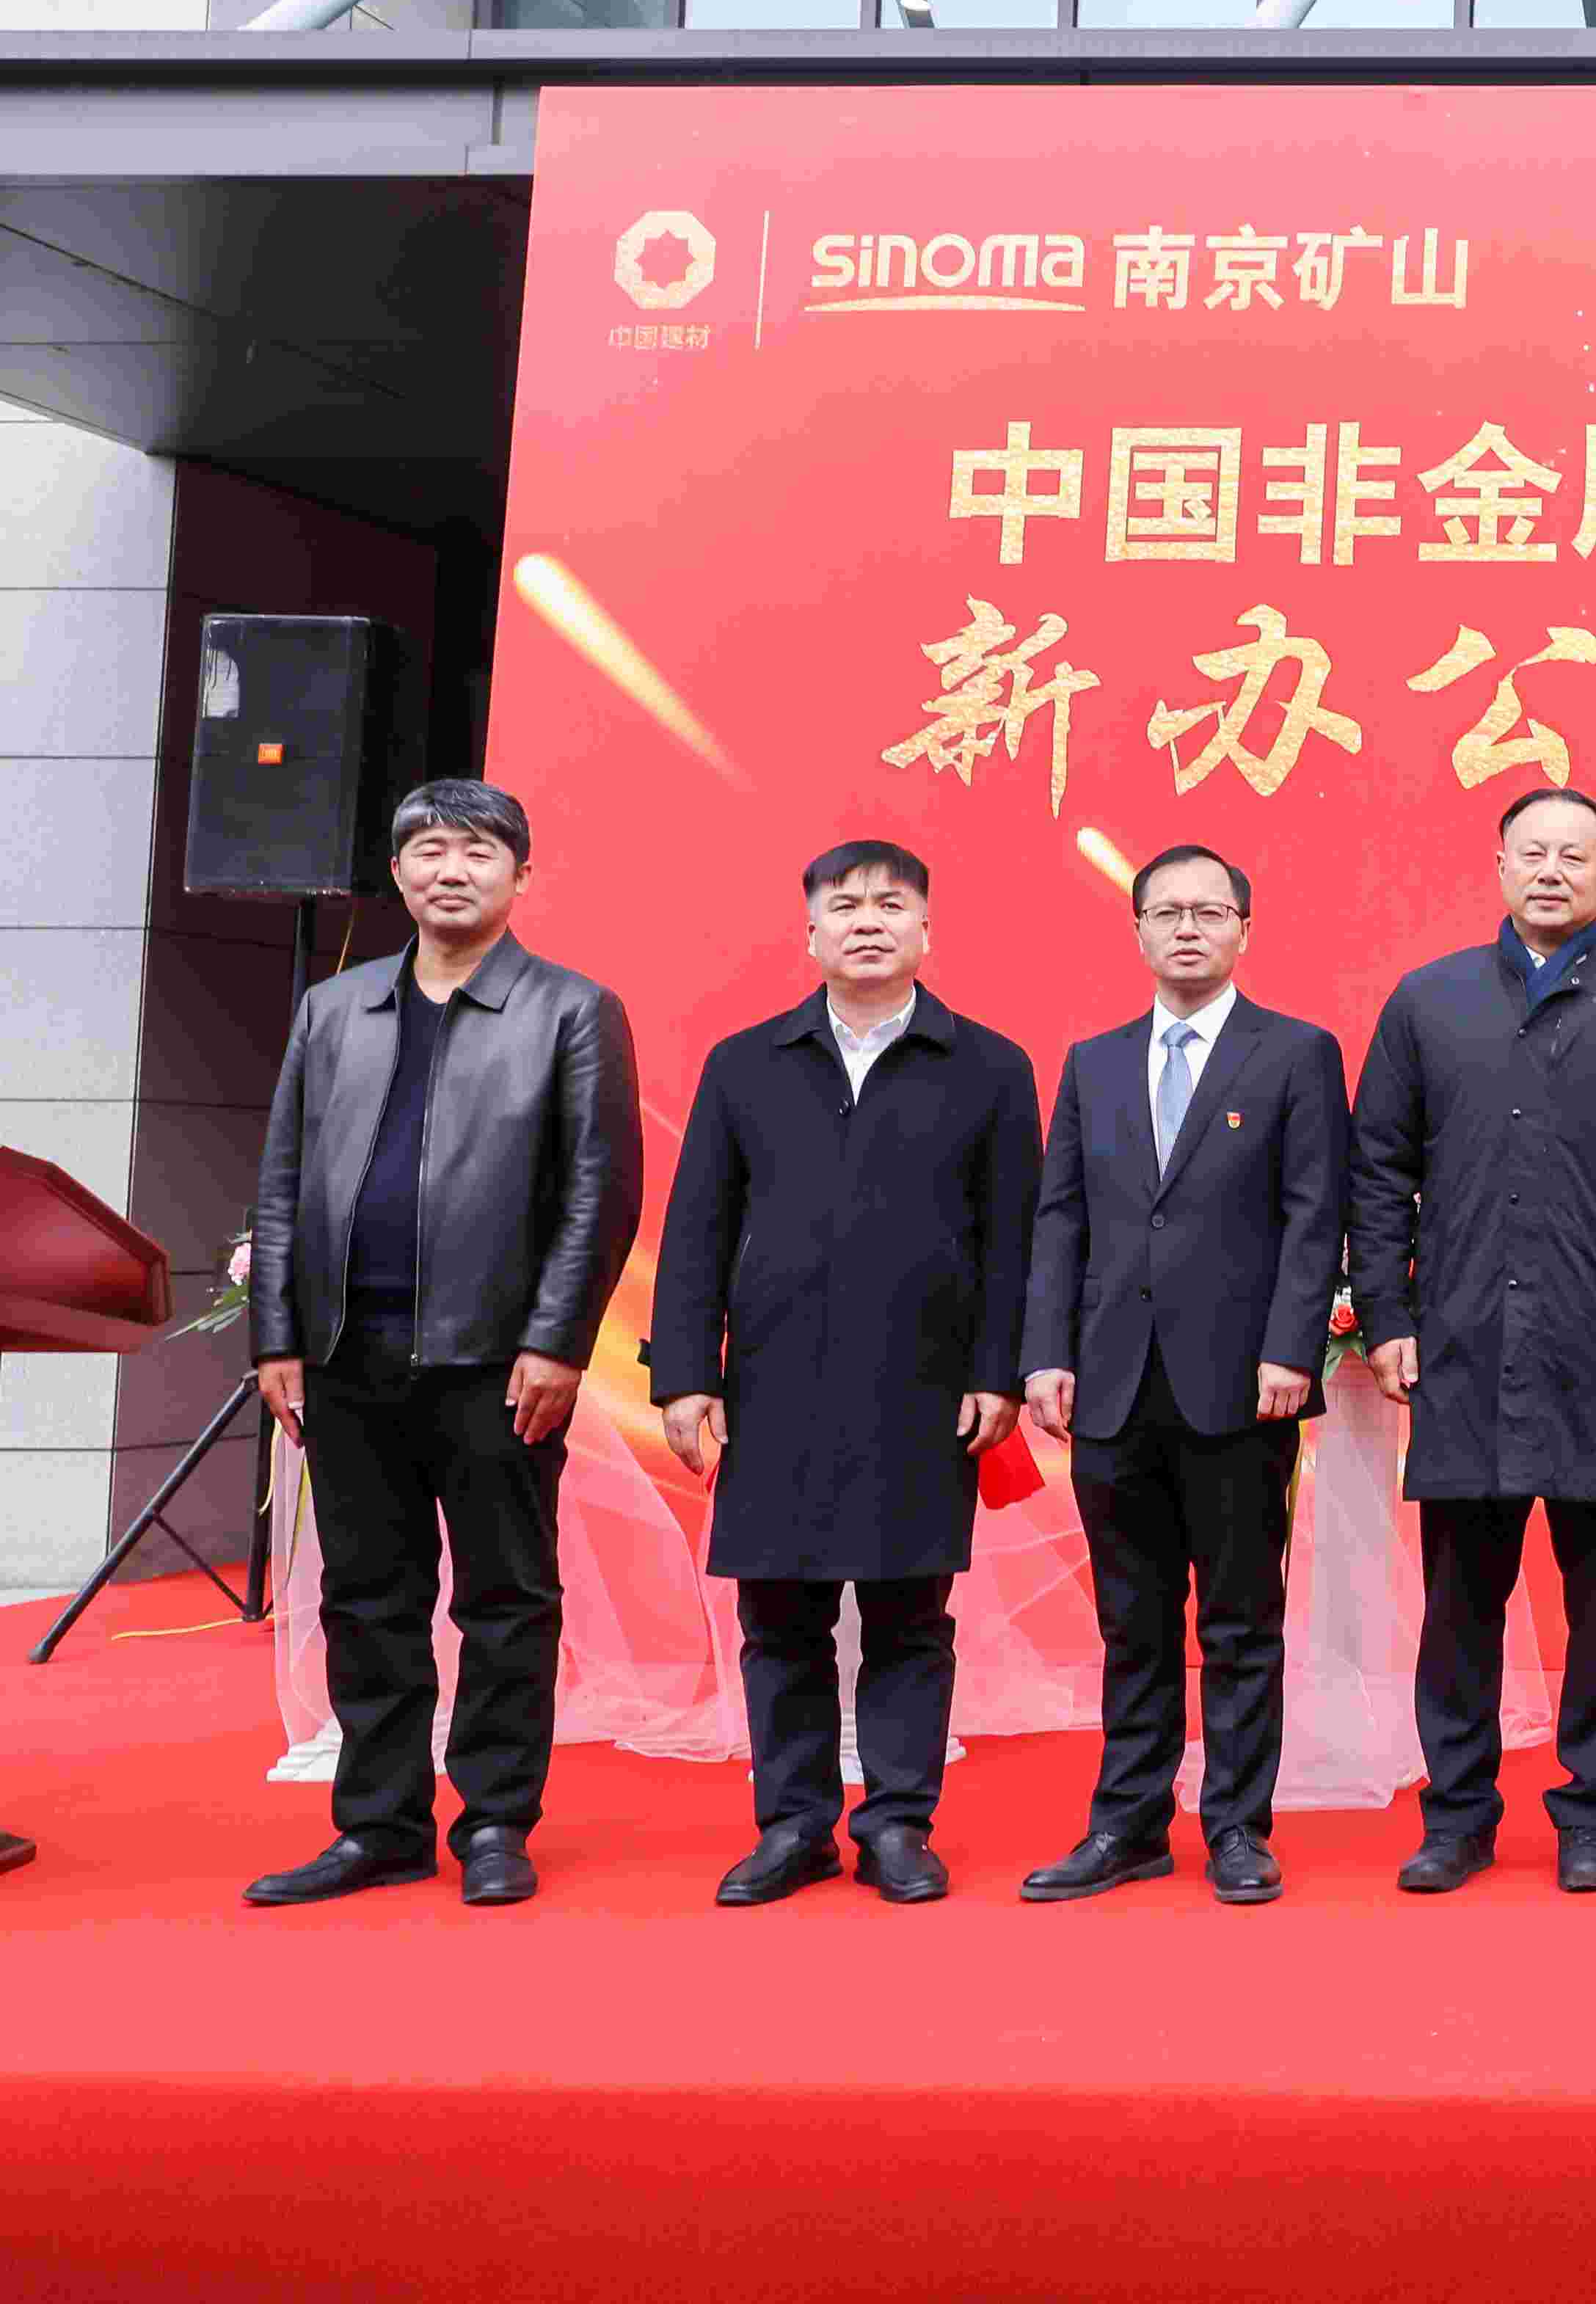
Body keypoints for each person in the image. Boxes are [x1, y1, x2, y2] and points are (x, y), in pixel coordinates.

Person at [241, 778, 641, 1911]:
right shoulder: (334, 1010)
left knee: (506, 1597)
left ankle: (498, 1818)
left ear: (521, 875)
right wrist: (277, 1334)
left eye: (476, 850)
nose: (449, 868)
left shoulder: (571, 1010)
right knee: (367, 1596)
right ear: (398, 872)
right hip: (345, 1352)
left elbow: (600, 1193)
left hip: (496, 1360)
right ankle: (380, 1824)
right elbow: (282, 1180)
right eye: (427, 848)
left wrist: (558, 1341)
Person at [1350, 783, 1596, 1897]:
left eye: (1576, 855)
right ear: (1500, 866)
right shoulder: (1428, 1001)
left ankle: (1591, 1814)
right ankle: (1457, 1815)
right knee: (1460, 1604)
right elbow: (1377, 1171)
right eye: (1533, 852)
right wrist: (1388, 1317)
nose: (1552, 870)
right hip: (1463, 1342)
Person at [652, 839, 1039, 1909]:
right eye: (846, 905)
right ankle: (794, 1825)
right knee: (780, 1615)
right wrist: (686, 1374)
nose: (868, 921)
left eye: (892, 904)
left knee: (911, 1614)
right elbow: (696, 1230)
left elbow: (1014, 1237)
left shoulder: (990, 1065)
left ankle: (899, 1823)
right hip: (772, 1383)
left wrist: (998, 1371)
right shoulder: (746, 1062)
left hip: (925, 1384)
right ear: (811, 931)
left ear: (927, 929)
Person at [1016, 843, 1349, 1909]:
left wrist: (1292, 1346)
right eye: (1168, 912)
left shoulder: (1296, 1053)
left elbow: (1315, 1213)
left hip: (1243, 1383)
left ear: (1246, 928)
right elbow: (1060, 1217)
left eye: (1210, 912)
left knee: (1241, 1618)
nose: (1188, 929)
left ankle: (1239, 1827)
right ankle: (1127, 1823)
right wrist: (1046, 1352)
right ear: (1139, 931)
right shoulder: (1094, 1062)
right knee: (1133, 1620)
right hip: (1112, 1381)